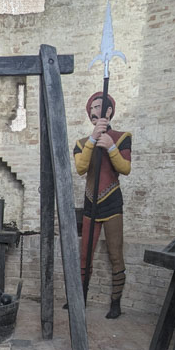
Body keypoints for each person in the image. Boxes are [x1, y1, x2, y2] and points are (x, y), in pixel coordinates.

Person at [72, 90, 132, 318]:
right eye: (91, 109)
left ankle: (115, 303)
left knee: (115, 254)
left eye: (99, 107)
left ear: (109, 111)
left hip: (112, 202)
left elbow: (125, 169)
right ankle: (81, 299)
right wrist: (92, 141)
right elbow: (81, 169)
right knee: (85, 256)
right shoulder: (81, 143)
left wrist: (110, 146)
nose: (94, 112)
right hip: (90, 203)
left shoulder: (122, 136)